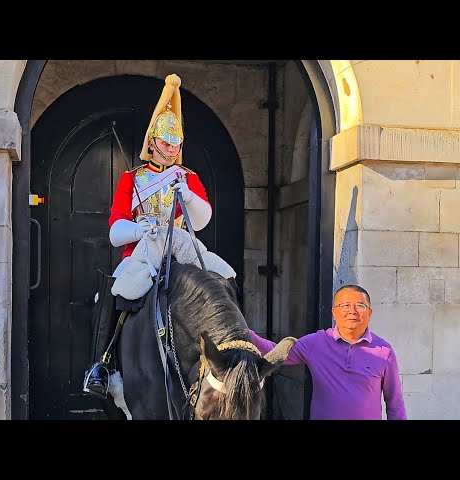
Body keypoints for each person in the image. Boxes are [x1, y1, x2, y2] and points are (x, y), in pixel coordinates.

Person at [83, 73, 213, 398]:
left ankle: (228, 358)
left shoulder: (188, 177)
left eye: (176, 144)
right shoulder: (132, 179)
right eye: (165, 142)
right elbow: (115, 231)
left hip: (179, 252)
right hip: (139, 253)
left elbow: (203, 219)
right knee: (114, 292)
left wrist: (190, 196)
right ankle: (102, 365)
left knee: (218, 286)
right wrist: (137, 229)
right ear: (153, 141)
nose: (170, 149)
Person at [249, 284, 407, 420]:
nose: (352, 311)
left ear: (369, 313)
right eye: (345, 305)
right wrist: (244, 333)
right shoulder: (316, 343)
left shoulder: (384, 351)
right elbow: (275, 352)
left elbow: (395, 404)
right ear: (334, 312)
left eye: (360, 305)